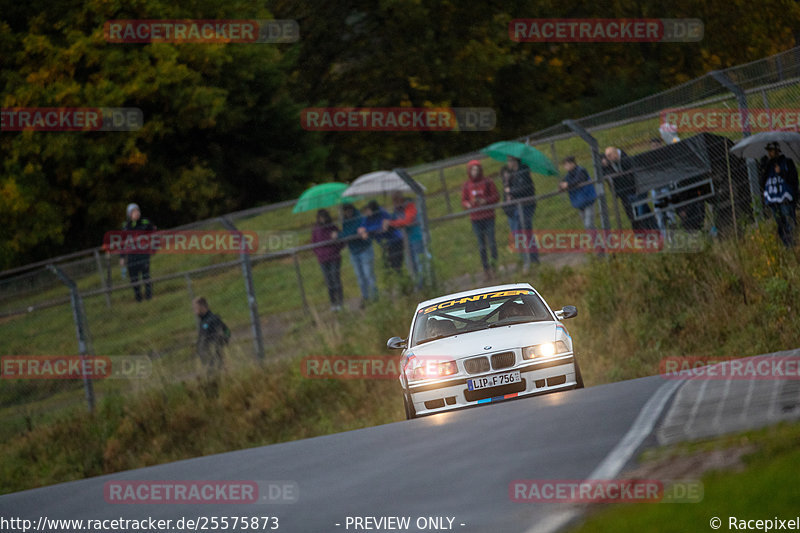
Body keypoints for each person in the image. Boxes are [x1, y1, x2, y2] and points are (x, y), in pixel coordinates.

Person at [461, 159, 499, 280]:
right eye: (472, 170)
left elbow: (496, 196)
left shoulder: (488, 182)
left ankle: (494, 267)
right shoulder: (467, 185)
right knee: (481, 245)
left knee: (492, 243)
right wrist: (469, 204)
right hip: (475, 218)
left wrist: (485, 201)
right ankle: (486, 270)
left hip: (488, 216)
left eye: (476, 169)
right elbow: (464, 200)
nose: (474, 172)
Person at [603, 146, 654, 230]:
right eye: (607, 156)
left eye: (609, 155)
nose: (608, 158)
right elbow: (605, 173)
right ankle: (643, 232)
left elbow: (632, 174)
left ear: (615, 153)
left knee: (641, 213)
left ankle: (650, 229)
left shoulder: (625, 159)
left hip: (635, 190)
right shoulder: (610, 164)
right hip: (624, 193)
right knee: (633, 214)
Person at [760, 142, 798, 247]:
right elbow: (762, 182)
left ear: (777, 151)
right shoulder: (767, 165)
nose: (769, 153)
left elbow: (793, 180)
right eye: (768, 151)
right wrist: (766, 167)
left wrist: (781, 172)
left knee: (789, 222)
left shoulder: (787, 163)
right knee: (780, 224)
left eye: (771, 151)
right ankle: (786, 245)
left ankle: (793, 246)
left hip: (785, 199)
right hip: (773, 199)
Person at [503, 156, 539, 267]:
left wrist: (511, 191)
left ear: (514, 161)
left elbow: (525, 189)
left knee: (526, 232)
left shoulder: (523, 173)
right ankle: (527, 259)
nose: (508, 163)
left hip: (526, 206)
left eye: (510, 161)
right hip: (517, 208)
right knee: (519, 234)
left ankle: (532, 259)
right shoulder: (512, 175)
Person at [386, 192, 427, 289]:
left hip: (416, 238)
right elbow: (392, 222)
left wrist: (392, 223)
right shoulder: (397, 211)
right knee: (410, 264)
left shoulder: (410, 206)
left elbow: (407, 221)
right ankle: (416, 285)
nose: (395, 203)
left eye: (396, 200)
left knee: (419, 262)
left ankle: (423, 284)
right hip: (407, 241)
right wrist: (389, 223)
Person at [341, 203, 378, 306]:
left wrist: (350, 234)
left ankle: (375, 296)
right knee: (360, 277)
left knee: (368, 275)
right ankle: (365, 297)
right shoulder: (345, 221)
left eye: (349, 210)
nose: (347, 213)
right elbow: (345, 234)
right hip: (354, 252)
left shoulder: (360, 218)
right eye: (345, 211)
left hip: (365, 250)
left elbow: (355, 231)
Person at [120, 203, 156, 302]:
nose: (136, 213)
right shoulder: (126, 226)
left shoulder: (145, 222)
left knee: (146, 275)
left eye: (137, 211)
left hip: (143, 254)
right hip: (132, 256)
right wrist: (122, 257)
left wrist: (153, 247)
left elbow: (154, 234)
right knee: (134, 278)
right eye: (133, 212)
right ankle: (138, 298)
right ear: (129, 214)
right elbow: (122, 243)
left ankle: (149, 296)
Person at [311, 209, 344, 311]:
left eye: (324, 217)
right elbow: (313, 244)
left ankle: (340, 303)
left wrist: (336, 246)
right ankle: (333, 303)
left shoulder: (333, 227)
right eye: (321, 218)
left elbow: (342, 242)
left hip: (334, 258)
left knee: (335, 278)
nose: (322, 219)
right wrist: (319, 253)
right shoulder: (316, 229)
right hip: (323, 260)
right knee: (329, 281)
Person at [363, 200, 404, 272]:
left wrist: (369, 229)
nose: (367, 212)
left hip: (395, 241)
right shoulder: (368, 218)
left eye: (368, 210)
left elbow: (382, 226)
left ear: (373, 210)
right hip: (384, 243)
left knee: (396, 263)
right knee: (387, 265)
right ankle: (393, 278)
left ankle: (399, 277)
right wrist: (366, 230)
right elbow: (363, 227)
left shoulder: (383, 213)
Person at [193, 296, 231, 374]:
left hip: (214, 356)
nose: (195, 311)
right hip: (206, 357)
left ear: (202, 307)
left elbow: (227, 330)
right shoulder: (203, 322)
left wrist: (223, 341)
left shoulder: (213, 319)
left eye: (196, 308)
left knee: (214, 374)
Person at [559, 156, 597, 231]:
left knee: (588, 224)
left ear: (572, 164)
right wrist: (561, 186)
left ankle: (597, 242)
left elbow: (579, 180)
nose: (565, 167)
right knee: (587, 226)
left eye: (566, 165)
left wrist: (568, 185)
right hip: (579, 202)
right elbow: (563, 183)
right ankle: (596, 241)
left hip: (588, 200)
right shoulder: (568, 176)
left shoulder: (581, 170)